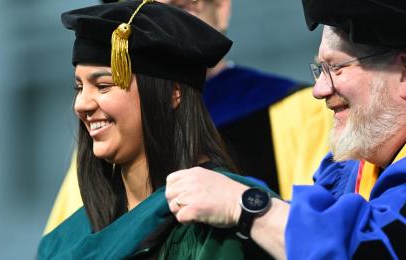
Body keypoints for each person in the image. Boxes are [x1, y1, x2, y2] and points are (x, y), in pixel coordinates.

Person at [44, 0, 332, 235]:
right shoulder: (108, 131)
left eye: (179, 10)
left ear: (220, 9)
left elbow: (318, 235)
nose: (158, 27)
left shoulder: (302, 112)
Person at [165, 0, 406, 259]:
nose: (319, 89)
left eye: (336, 67)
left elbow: (374, 249)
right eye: (320, 69)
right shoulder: (347, 168)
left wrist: (245, 205)